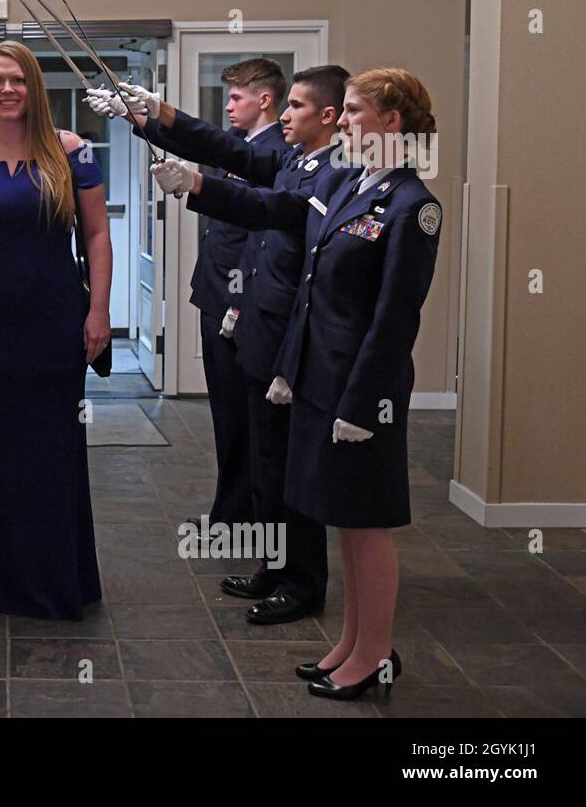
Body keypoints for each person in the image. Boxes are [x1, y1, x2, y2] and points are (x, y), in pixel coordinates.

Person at [152, 67, 442, 699]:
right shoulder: (347, 184)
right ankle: (351, 644)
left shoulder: (412, 206)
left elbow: (396, 318)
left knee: (366, 527)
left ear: (393, 123)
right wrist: (197, 185)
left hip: (361, 393)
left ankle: (374, 655)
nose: (347, 122)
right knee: (340, 520)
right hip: (316, 378)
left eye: (358, 111)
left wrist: (364, 402)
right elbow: (273, 208)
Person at [88, 66, 348, 625]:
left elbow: (272, 211)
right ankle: (276, 567)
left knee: (290, 465)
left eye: (296, 107)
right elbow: (230, 151)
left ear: (327, 116)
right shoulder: (291, 158)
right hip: (261, 325)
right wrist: (159, 112)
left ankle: (303, 581)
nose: (284, 116)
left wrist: (198, 185)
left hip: (290, 334)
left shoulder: (336, 170)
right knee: (267, 458)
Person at [0, 40, 112, 621]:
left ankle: (52, 580)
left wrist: (99, 310)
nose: (8, 90)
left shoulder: (72, 151)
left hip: (55, 321)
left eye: (19, 80)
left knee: (52, 451)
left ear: (35, 87)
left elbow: (97, 236)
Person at [123, 60, 290, 537]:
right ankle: (232, 511)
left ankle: (248, 518)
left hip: (244, 303)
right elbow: (198, 142)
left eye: (237, 97)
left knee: (246, 418)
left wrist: (241, 302)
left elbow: (262, 238)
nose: (229, 106)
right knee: (228, 415)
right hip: (218, 295)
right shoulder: (247, 147)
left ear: (264, 99)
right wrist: (138, 118)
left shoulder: (274, 151)